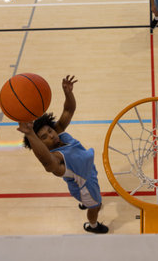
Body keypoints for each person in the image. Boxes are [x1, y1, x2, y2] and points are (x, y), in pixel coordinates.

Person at [17, 75, 108, 234]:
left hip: (87, 172)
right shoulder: (58, 158)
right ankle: (93, 226)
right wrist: (31, 134)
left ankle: (84, 203)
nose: (51, 135)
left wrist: (68, 93)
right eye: (44, 137)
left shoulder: (58, 135)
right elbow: (48, 163)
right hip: (85, 186)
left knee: (92, 200)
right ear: (40, 144)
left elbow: (68, 110)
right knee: (96, 205)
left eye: (50, 131)